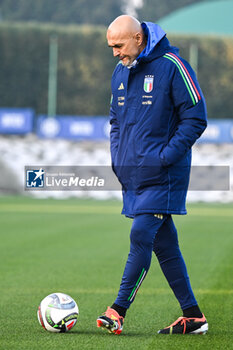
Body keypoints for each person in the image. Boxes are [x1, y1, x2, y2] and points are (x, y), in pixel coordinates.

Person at [96, 15, 208, 335]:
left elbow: (195, 119)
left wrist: (164, 159)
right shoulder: (120, 73)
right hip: (133, 176)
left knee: (141, 234)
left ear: (138, 39)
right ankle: (193, 315)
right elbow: (115, 122)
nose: (115, 52)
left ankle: (117, 310)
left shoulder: (173, 66)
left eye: (118, 45)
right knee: (165, 246)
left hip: (164, 175)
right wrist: (118, 160)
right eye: (111, 47)